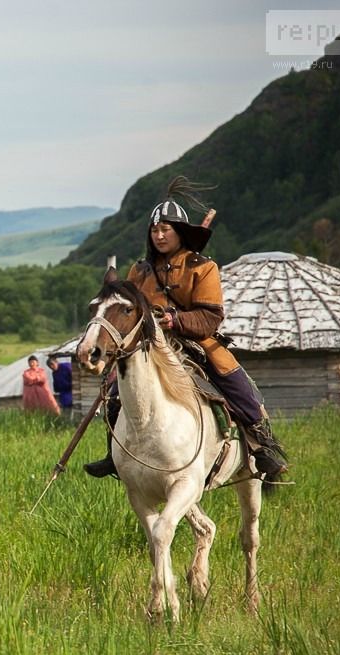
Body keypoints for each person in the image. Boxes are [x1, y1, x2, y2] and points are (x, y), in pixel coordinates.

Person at [84, 176, 289, 481]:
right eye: (154, 230)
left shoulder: (203, 268)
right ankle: (115, 455)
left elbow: (210, 316)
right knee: (116, 395)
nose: (159, 235)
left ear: (179, 232)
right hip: (150, 346)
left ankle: (261, 447)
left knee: (239, 389)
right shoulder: (139, 271)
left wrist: (176, 320)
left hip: (195, 342)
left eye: (165, 229)